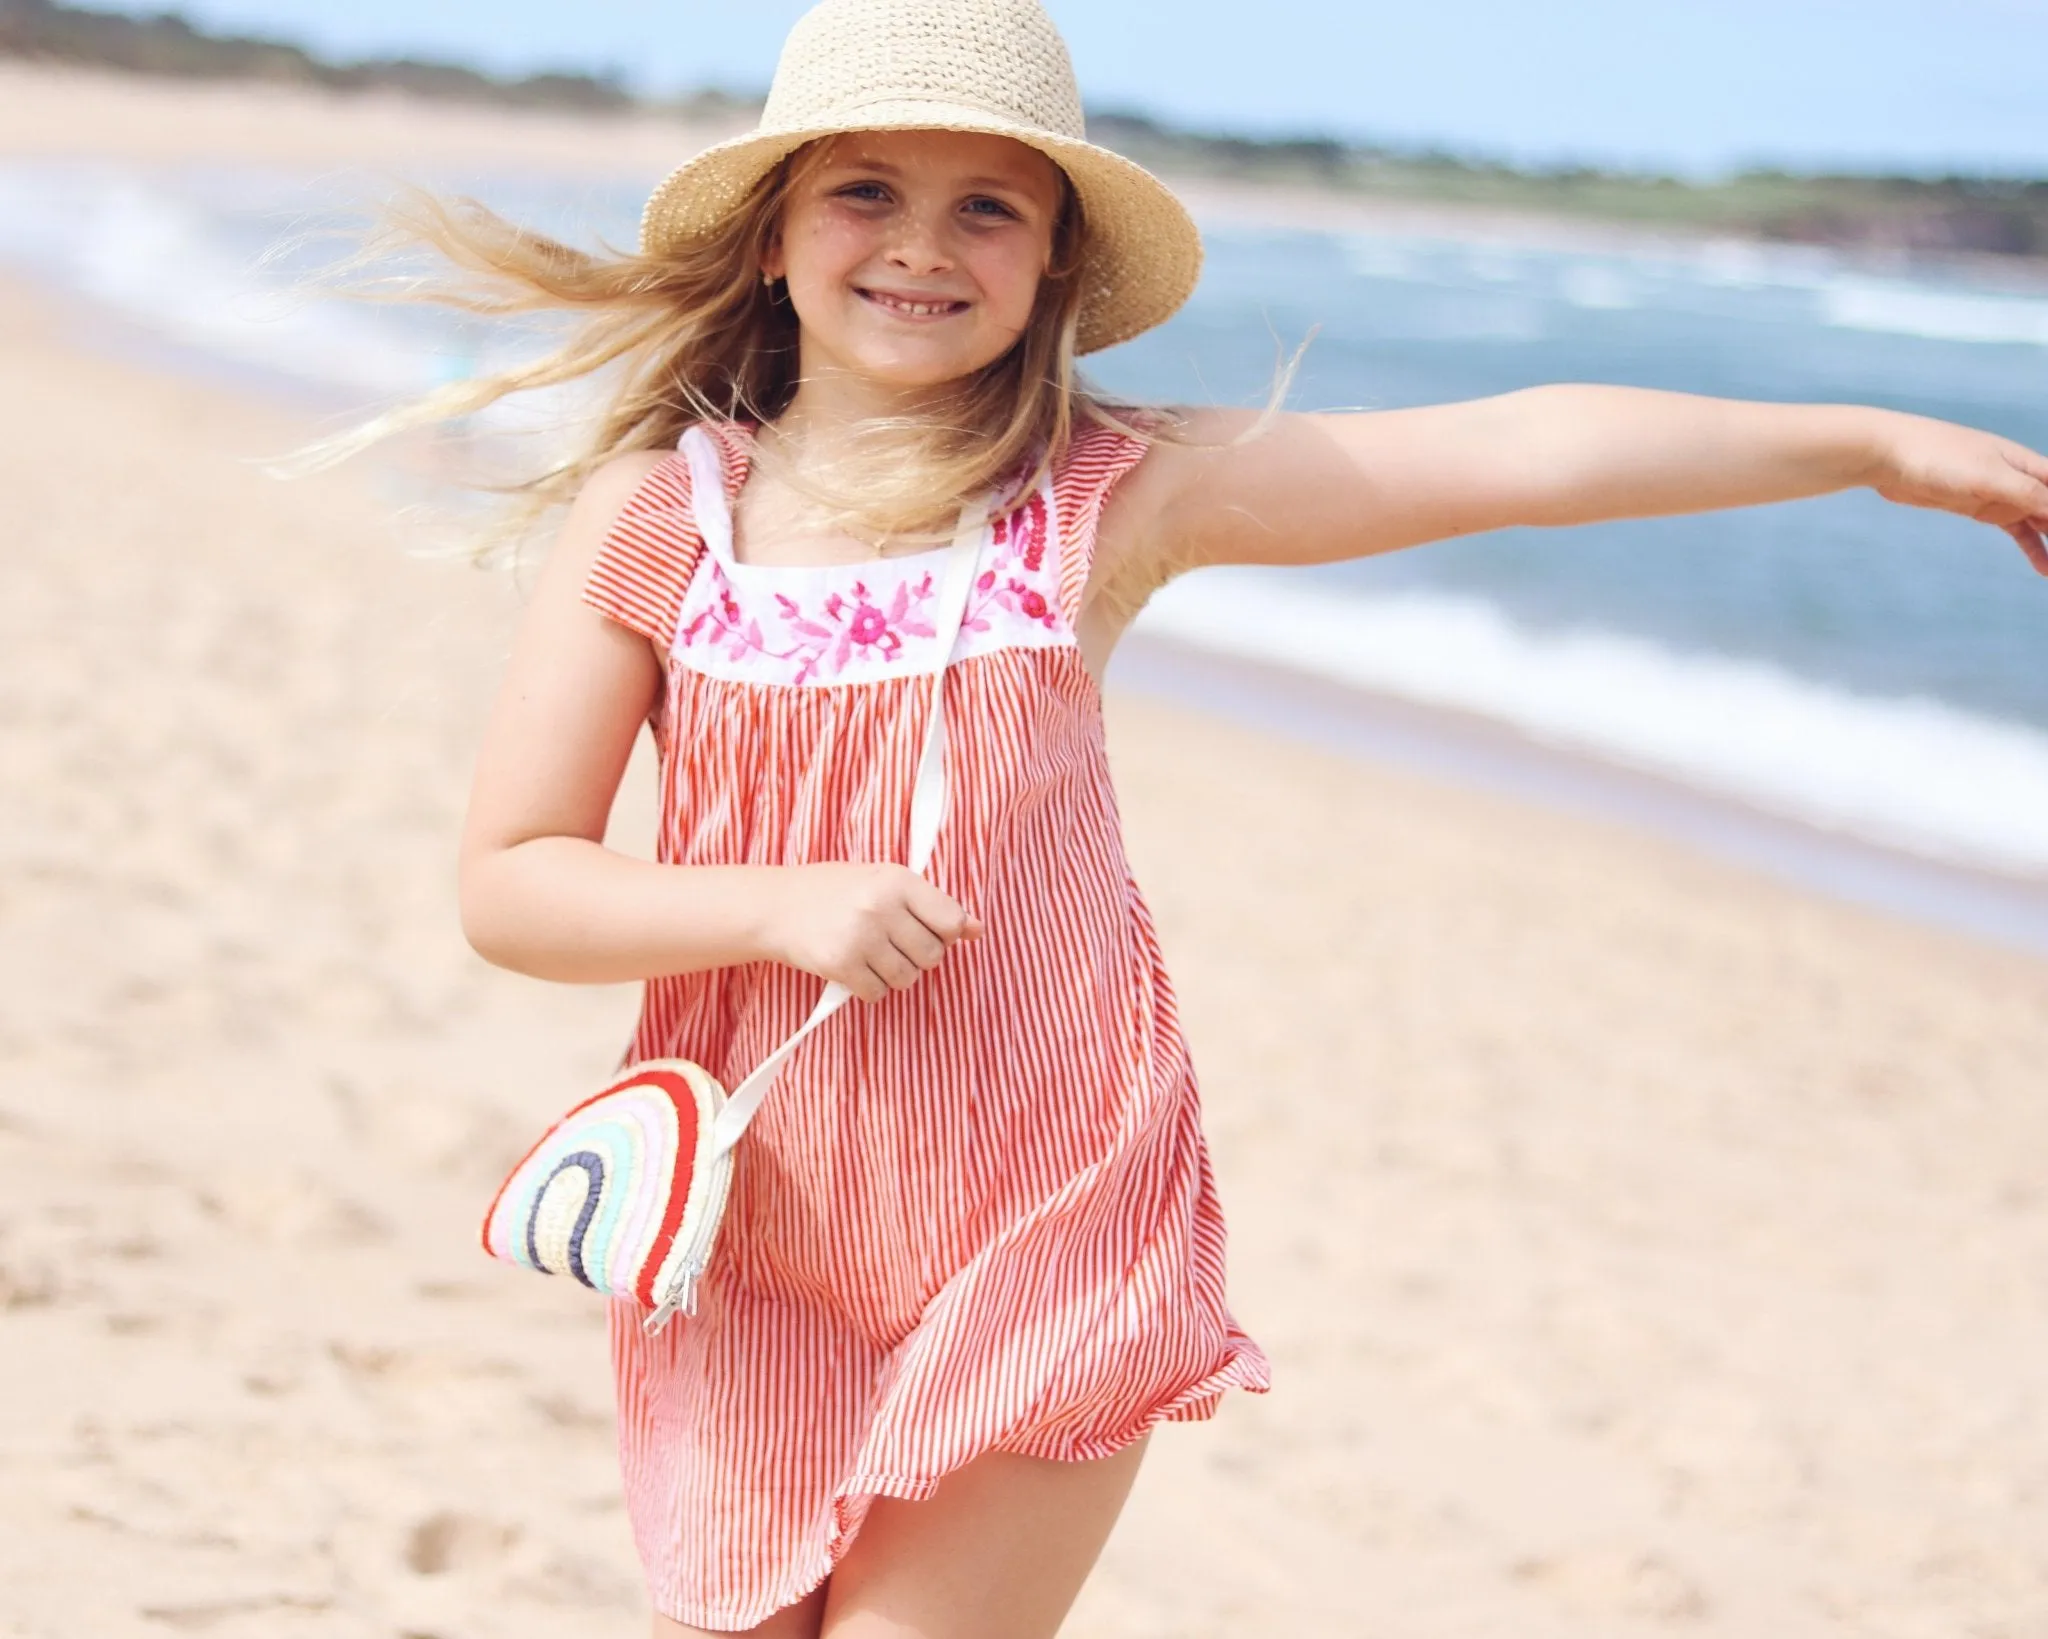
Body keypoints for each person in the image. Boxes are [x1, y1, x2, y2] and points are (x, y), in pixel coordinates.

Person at [354, 1, 2048, 1633]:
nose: (922, 245)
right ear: (777, 236)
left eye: (988, 209)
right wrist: (773, 904)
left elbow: (1519, 446)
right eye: (864, 189)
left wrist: (1877, 445)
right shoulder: (653, 523)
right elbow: (514, 884)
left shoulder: (1104, 500)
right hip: (759, 1217)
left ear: (1054, 268)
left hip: (1049, 1211)